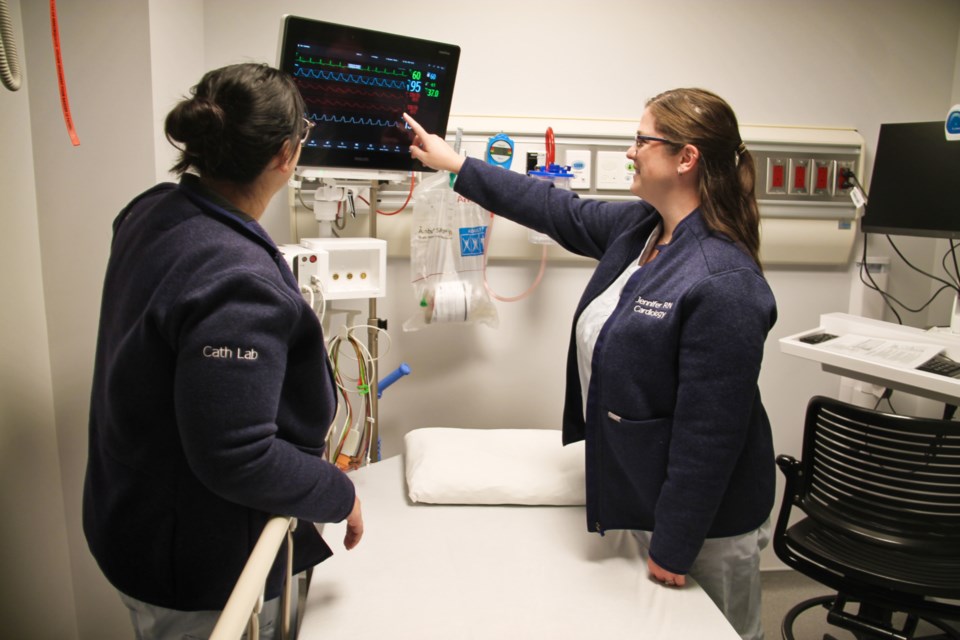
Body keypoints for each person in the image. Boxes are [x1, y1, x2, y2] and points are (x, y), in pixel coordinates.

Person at [403, 87, 776, 640]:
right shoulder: (644, 231)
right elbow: (555, 208)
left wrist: (675, 546)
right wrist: (456, 165)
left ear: (685, 157)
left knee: (716, 630)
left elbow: (711, 436)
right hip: (644, 496)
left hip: (705, 524)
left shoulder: (724, 281)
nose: (630, 152)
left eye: (641, 140)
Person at [83, 62, 363, 639]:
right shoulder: (239, 281)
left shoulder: (151, 210)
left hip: (130, 512)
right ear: (286, 155)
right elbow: (237, 455)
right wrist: (339, 491)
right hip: (192, 562)